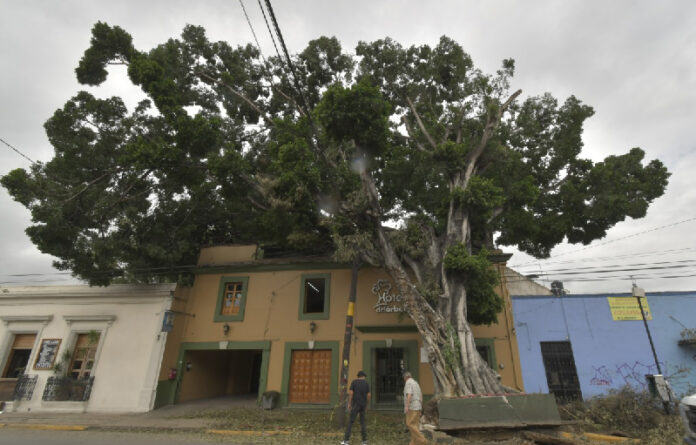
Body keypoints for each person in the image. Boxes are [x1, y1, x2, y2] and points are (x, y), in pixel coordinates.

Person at [341, 370, 371, 445]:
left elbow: (351, 393)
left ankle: (346, 440)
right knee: (363, 422)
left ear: (358, 376)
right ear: (363, 376)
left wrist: (349, 403)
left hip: (356, 404)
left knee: (351, 422)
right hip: (363, 405)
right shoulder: (366, 383)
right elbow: (369, 395)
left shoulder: (354, 382)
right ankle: (364, 441)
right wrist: (367, 404)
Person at [403, 371, 428, 445]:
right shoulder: (416, 383)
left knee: (409, 424)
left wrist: (407, 406)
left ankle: (422, 440)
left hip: (412, 407)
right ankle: (414, 443)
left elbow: (409, 394)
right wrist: (420, 407)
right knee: (415, 425)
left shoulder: (408, 383)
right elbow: (421, 395)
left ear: (405, 377)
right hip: (418, 406)